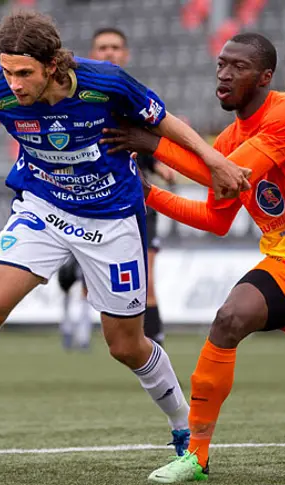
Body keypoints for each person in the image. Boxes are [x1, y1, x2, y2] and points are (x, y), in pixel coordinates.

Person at [0, 11, 250, 453]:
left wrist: (216, 162)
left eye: (24, 73)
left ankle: (183, 425)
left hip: (112, 219)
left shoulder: (106, 83)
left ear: (52, 66)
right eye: (8, 70)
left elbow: (166, 121)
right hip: (43, 207)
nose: (13, 83)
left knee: (126, 347)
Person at [101, 32, 285, 483]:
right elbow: (216, 219)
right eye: (221, 64)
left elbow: (228, 173)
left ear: (265, 76)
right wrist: (150, 194)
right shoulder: (225, 141)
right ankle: (196, 455)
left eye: (237, 66)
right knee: (228, 320)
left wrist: (153, 143)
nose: (223, 74)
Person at [57, 27, 176, 350]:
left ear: (126, 54)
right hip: (86, 199)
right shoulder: (76, 98)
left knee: (146, 280)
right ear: (91, 55)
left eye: (115, 47)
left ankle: (157, 358)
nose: (109, 53)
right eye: (102, 48)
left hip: (136, 199)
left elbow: (147, 139)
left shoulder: (135, 95)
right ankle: (77, 315)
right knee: (86, 278)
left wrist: (160, 165)